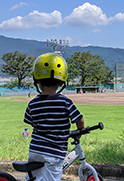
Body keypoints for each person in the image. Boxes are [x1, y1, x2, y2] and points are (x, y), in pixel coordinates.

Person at [23, 53, 85, 181]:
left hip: (35, 151)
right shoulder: (65, 102)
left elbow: (31, 122)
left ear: (37, 81)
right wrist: (81, 130)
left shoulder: (33, 103)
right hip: (54, 152)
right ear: (62, 82)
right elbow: (79, 119)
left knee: (35, 177)